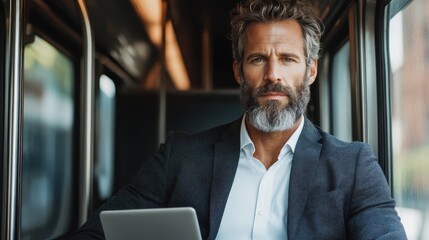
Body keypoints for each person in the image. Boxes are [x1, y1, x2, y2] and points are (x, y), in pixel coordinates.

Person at [73, 0, 407, 239]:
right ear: (238, 70)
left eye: (288, 59)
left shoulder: (354, 166)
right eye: (258, 59)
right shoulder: (180, 158)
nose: (272, 75)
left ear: (311, 70)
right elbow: (94, 233)